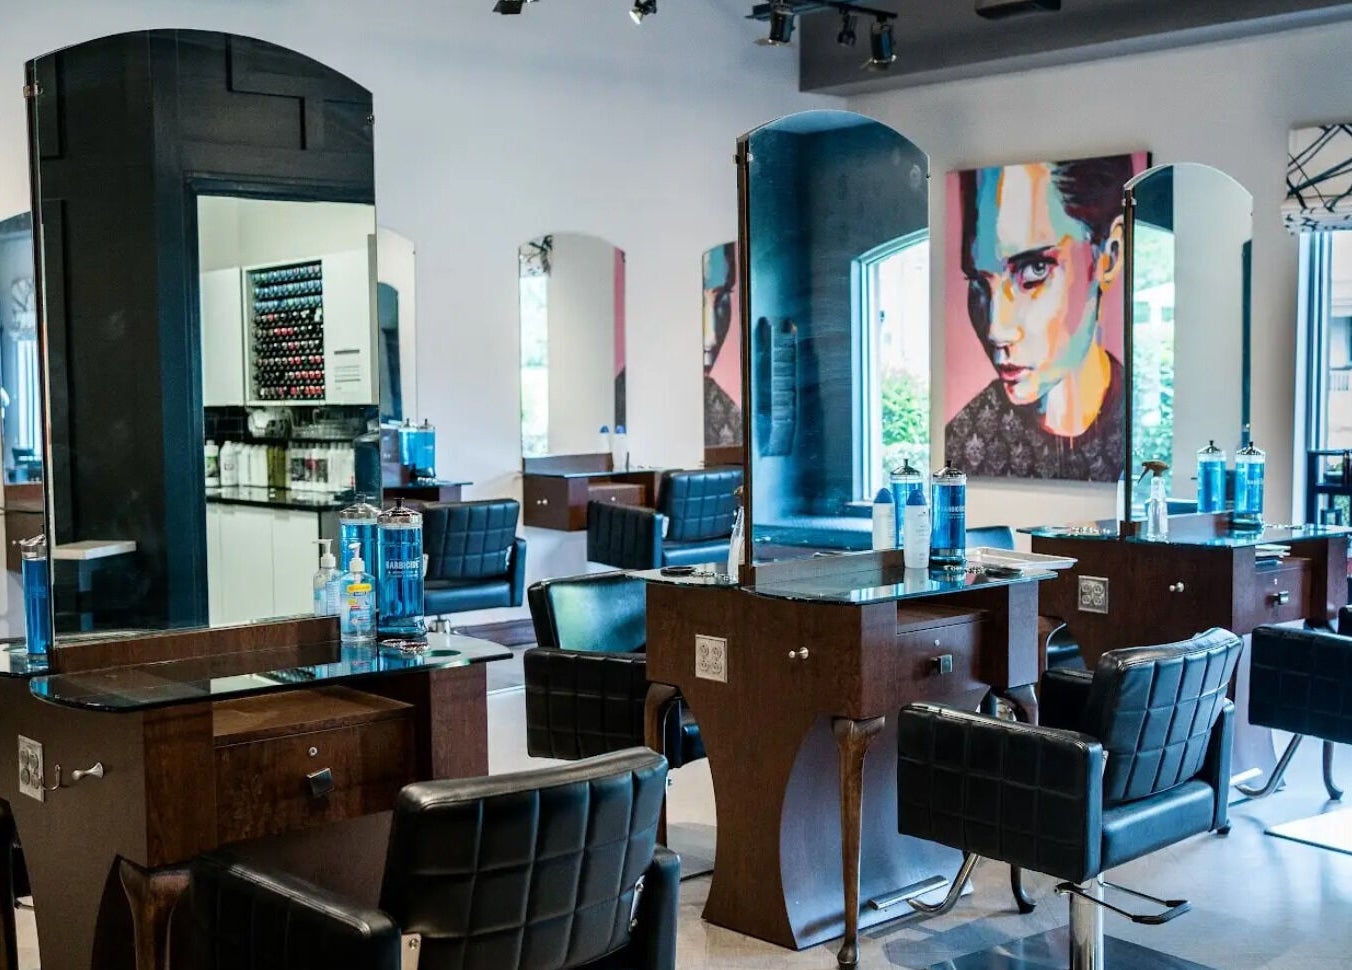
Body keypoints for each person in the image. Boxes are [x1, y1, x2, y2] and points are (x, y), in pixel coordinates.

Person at [945, 155, 1137, 481]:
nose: (996, 328)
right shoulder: (964, 442)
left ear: (1110, 254)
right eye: (979, 282)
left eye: (1034, 270)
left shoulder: (1149, 428)